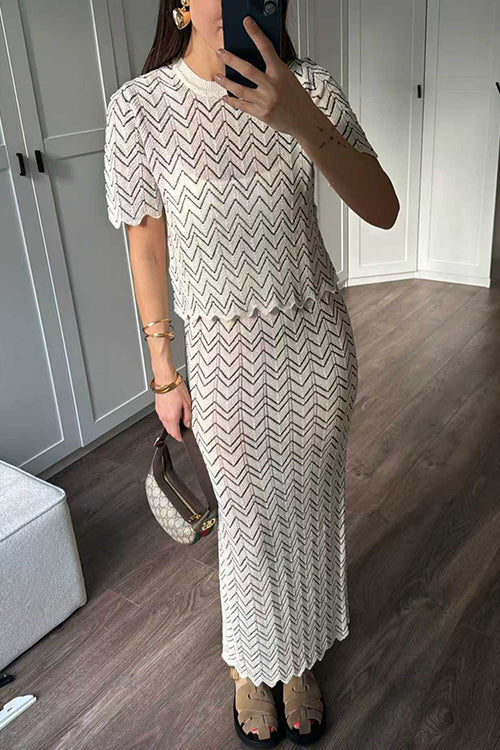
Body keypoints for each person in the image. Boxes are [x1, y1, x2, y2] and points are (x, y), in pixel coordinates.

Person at [104, 1, 398, 746]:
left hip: (316, 347)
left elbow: (383, 208)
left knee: (310, 507)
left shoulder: (309, 88)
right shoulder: (139, 110)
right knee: (247, 523)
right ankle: (249, 662)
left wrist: (297, 116)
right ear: (180, 3)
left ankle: (297, 660)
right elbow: (146, 249)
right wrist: (163, 370)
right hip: (224, 360)